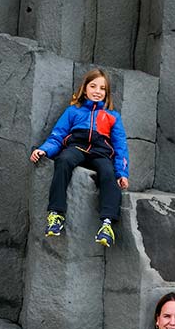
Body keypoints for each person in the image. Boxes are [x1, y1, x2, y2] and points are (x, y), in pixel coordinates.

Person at [30, 68, 129, 247]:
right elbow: (58, 135)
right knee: (64, 160)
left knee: (109, 173)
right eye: (93, 86)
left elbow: (120, 146)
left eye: (102, 88)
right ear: (85, 88)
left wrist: (122, 173)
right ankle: (56, 214)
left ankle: (107, 225)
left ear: (107, 93)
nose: (97, 91)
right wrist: (44, 149)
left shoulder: (112, 116)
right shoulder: (73, 111)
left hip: (100, 152)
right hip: (77, 147)